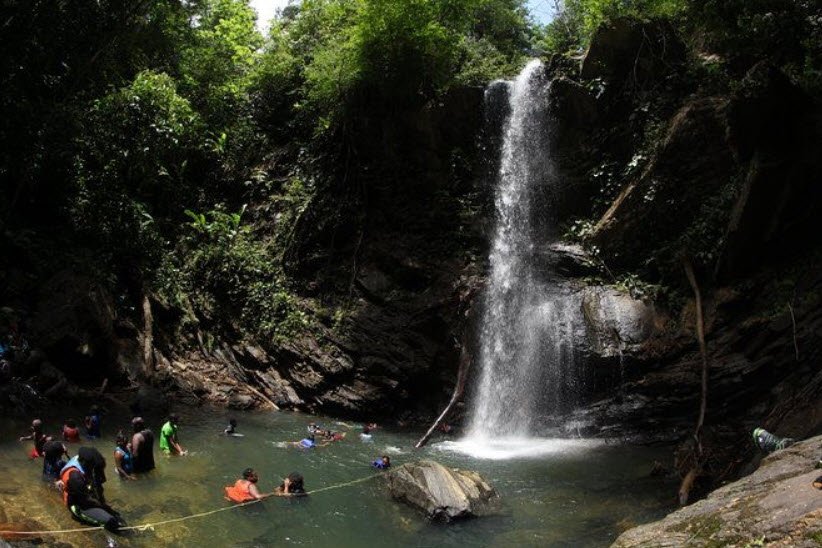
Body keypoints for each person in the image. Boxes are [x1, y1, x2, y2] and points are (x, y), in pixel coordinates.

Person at [60, 447, 126, 533]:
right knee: (112, 522)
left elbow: (99, 484)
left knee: (117, 515)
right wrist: (103, 506)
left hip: (86, 492)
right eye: (92, 466)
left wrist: (103, 502)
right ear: (85, 463)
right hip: (78, 504)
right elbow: (85, 500)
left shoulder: (88, 461)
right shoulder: (75, 477)